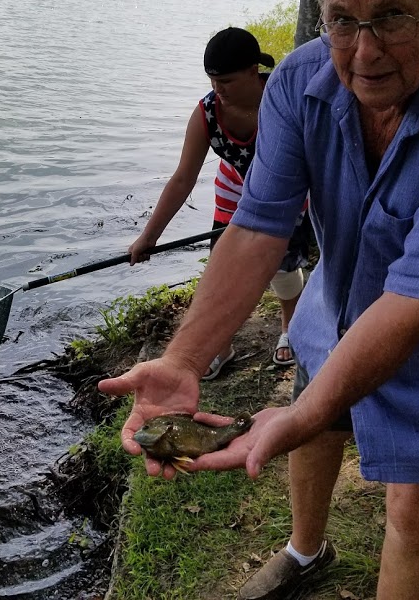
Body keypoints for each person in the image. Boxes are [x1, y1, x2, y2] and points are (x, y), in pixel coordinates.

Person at [100, 0, 419, 600]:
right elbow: (256, 228)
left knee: (415, 507)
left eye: (392, 16)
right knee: (314, 430)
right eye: (343, 20)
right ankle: (306, 553)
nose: (364, 53)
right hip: (337, 305)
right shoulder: (296, 85)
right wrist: (185, 358)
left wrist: (300, 413)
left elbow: (415, 300)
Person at [127, 26, 311, 380]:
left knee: (282, 268)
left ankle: (289, 324)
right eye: (212, 80)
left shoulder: (284, 98)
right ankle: (222, 343)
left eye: (225, 80)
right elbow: (183, 178)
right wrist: (149, 236)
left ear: (252, 71)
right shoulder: (207, 113)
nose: (217, 90)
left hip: (286, 194)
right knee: (223, 266)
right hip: (233, 195)